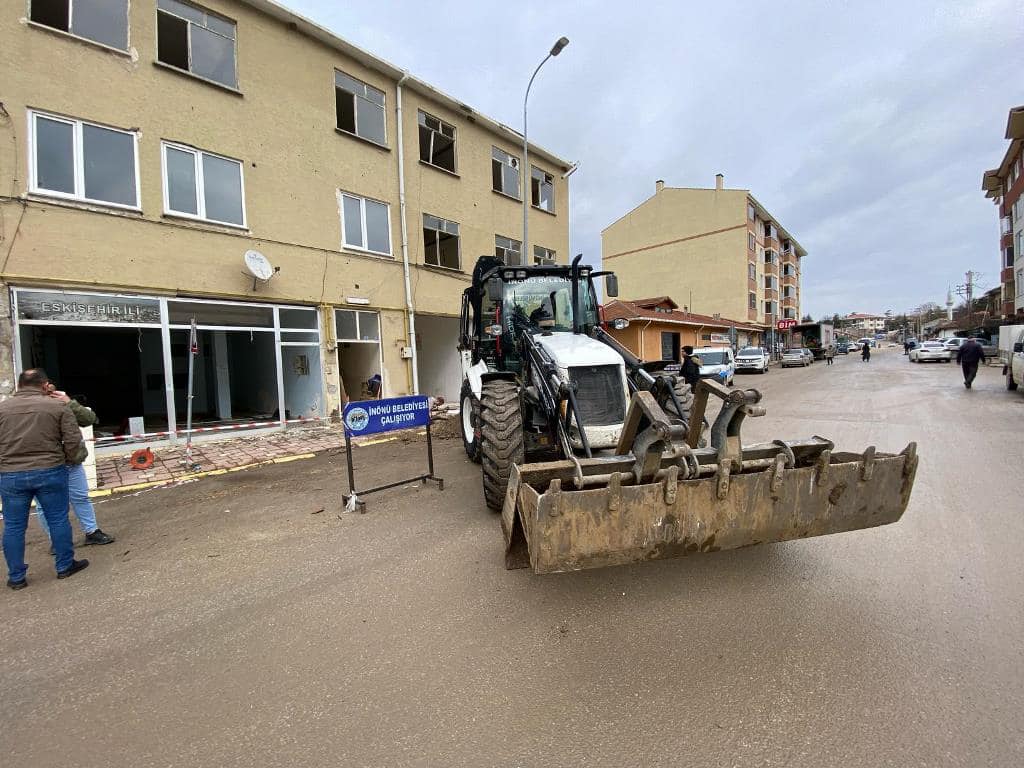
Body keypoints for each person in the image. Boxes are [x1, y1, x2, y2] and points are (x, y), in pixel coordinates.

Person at [0, 368, 89, 590]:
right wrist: (70, 460)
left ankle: (16, 577)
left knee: (13, 526)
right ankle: (64, 566)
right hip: (51, 470)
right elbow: (72, 439)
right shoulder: (58, 406)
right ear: (44, 385)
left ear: (19, 386)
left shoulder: (2, 408)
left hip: (11, 474)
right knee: (58, 519)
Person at [34, 383, 115, 547]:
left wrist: (69, 402)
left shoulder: (63, 404)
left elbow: (89, 419)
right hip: (42, 464)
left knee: (81, 497)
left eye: (51, 387)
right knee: (44, 505)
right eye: (45, 387)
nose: (49, 390)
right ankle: (56, 541)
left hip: (70, 461)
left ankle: (92, 531)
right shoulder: (28, 409)